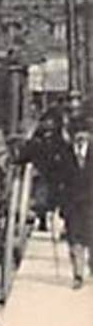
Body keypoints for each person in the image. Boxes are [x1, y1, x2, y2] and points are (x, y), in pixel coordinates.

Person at [64, 118, 91, 290]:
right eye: (77, 133)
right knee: (74, 239)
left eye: (84, 133)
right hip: (72, 204)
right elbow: (58, 178)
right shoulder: (65, 153)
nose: (80, 137)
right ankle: (78, 275)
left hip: (91, 203)